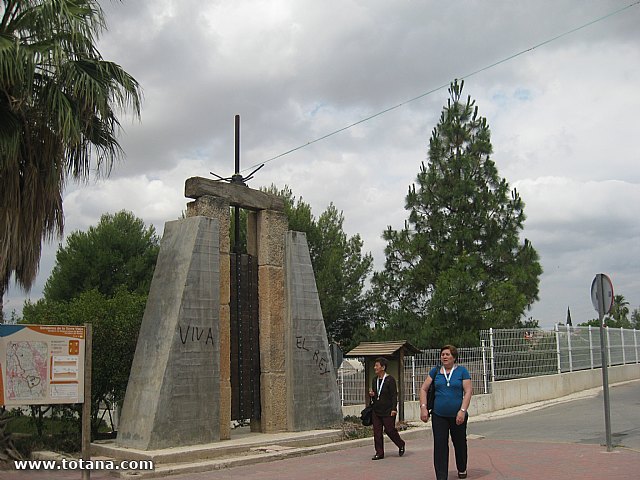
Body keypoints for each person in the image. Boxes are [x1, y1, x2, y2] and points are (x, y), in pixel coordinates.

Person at [420, 345, 472, 480]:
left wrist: (462, 411)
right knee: (440, 444)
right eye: (443, 354)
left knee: (459, 443)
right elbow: (424, 389)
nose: (444, 356)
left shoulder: (462, 372)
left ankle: (462, 468)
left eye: (447, 354)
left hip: (457, 416)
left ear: (454, 357)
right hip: (439, 415)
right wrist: (423, 407)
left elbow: (468, 392)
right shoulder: (435, 372)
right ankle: (441, 476)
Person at [368, 357, 406, 460]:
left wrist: (394, 409)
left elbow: (394, 395)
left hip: (388, 410)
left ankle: (401, 444)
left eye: (377, 365)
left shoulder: (390, 380)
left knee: (389, 430)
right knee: (377, 432)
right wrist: (372, 394)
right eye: (375, 365)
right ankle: (379, 453)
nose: (374, 367)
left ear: (383, 367)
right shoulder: (374, 380)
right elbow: (376, 395)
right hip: (376, 410)